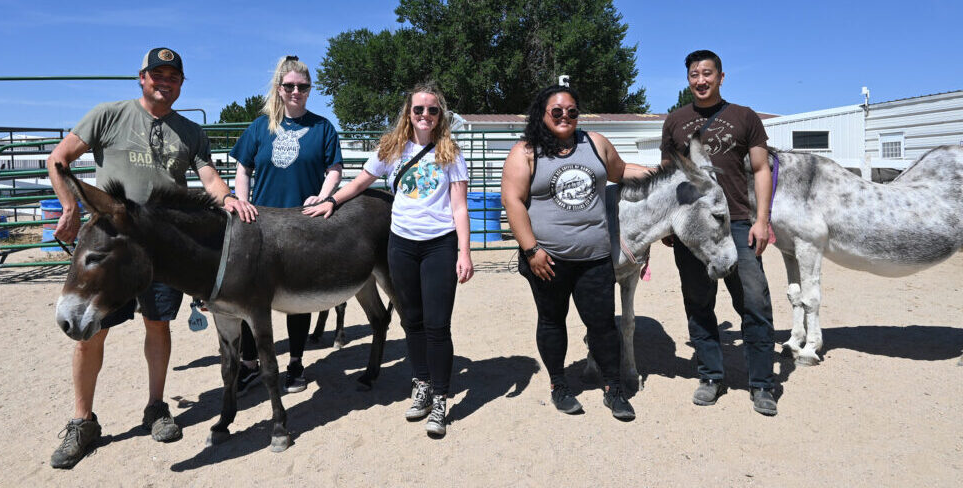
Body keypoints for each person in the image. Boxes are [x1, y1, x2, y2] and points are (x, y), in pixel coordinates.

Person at [46, 47, 257, 469]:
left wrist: (231, 199)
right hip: (112, 244)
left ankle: (157, 407)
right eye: (157, 74)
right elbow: (59, 158)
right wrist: (69, 206)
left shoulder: (191, 132)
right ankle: (82, 420)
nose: (165, 82)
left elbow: (209, 177)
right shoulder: (108, 115)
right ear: (141, 78)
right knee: (91, 334)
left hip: (161, 247)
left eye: (173, 77)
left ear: (181, 84)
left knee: (158, 326)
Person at [304, 83, 473, 438]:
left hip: (439, 245)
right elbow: (361, 182)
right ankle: (422, 384)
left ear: (440, 115)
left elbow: (459, 207)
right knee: (411, 320)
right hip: (402, 245)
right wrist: (331, 201)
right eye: (418, 110)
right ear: (408, 114)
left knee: (437, 325)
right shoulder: (392, 148)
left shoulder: (450, 152)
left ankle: (440, 398)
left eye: (432, 110)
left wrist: (465, 252)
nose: (425, 116)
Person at [501, 85, 649, 420]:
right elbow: (512, 201)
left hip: (594, 258)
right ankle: (559, 385)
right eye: (557, 111)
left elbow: (621, 171)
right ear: (543, 114)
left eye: (572, 111)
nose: (565, 116)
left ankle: (614, 389)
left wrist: (664, 172)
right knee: (552, 321)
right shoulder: (526, 151)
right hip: (547, 260)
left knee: (602, 326)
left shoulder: (594, 143)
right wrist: (531, 250)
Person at [660, 49, 778, 416]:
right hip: (692, 231)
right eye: (694, 74)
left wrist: (762, 220)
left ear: (721, 77)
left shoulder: (745, 117)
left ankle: (762, 384)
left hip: (738, 224)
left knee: (754, 305)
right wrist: (669, 221)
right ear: (688, 79)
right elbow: (667, 175)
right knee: (698, 304)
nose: (701, 80)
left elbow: (761, 170)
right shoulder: (675, 121)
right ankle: (711, 375)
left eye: (707, 73)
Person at [228, 55, 343, 395]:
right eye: (290, 86)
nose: (296, 91)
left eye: (303, 87)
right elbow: (243, 169)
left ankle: (295, 363)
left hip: (300, 224)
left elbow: (333, 168)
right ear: (279, 89)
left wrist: (323, 197)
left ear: (309, 90)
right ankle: (250, 364)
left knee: (297, 296)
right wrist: (242, 201)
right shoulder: (259, 127)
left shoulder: (322, 127)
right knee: (249, 297)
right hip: (259, 224)